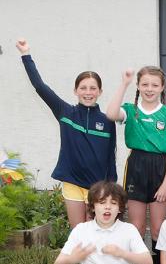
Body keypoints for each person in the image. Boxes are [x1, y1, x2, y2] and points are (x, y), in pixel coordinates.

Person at [14, 38, 117, 228]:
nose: (88, 92)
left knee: (98, 233)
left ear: (100, 92)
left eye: (93, 88)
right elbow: (40, 86)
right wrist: (26, 54)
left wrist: (111, 187)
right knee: (78, 233)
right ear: (75, 90)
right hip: (72, 183)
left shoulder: (107, 121)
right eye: (83, 88)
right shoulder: (65, 112)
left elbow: (111, 155)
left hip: (99, 187)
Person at [106, 66, 166, 264]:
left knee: (158, 228)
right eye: (145, 84)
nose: (150, 89)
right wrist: (124, 83)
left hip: (160, 169)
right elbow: (110, 114)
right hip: (136, 167)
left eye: (154, 85)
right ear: (139, 85)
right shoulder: (131, 110)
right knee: (137, 228)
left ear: (162, 88)